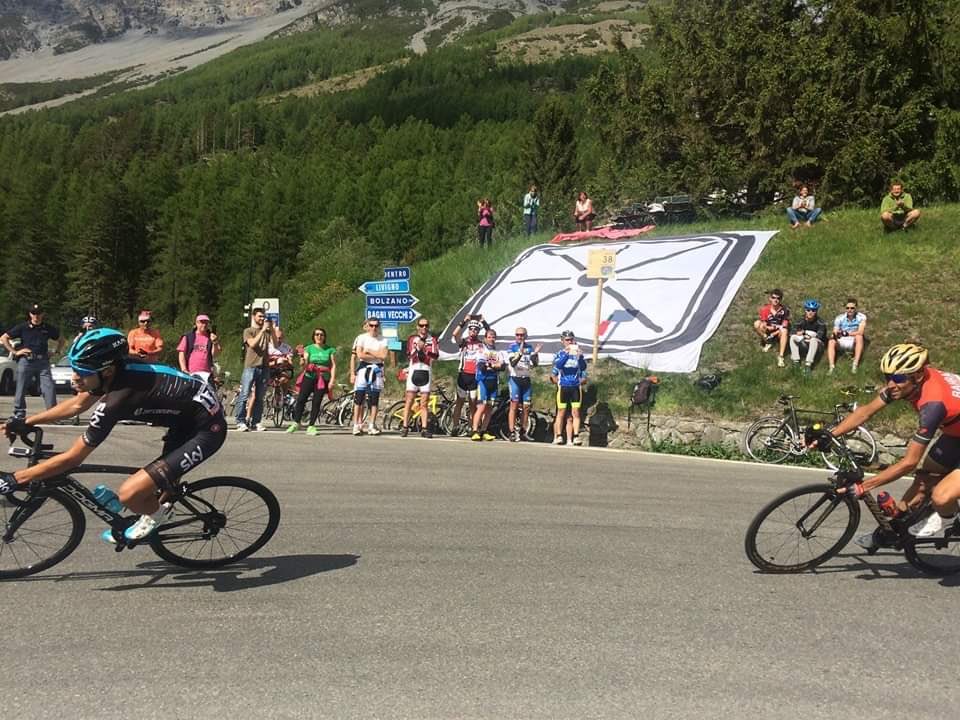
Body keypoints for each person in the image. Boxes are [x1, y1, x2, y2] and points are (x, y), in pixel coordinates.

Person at [0, 329, 226, 543]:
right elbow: (77, 405)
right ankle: (157, 503)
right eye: (75, 368)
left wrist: (16, 478)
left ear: (106, 371)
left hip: (206, 430)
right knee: (150, 486)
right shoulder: (116, 372)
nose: (74, 377)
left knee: (130, 494)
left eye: (82, 372)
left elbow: (73, 458)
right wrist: (26, 421)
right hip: (185, 420)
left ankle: (158, 515)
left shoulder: (118, 399)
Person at [822, 344, 960, 550]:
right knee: (923, 481)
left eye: (897, 379)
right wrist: (828, 435)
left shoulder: (933, 405)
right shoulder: (908, 382)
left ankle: (951, 521)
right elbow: (865, 412)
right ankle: (893, 530)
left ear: (918, 375)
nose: (890, 384)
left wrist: (864, 486)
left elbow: (909, 462)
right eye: (887, 376)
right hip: (955, 434)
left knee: (941, 497)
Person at [0, 303, 62, 419]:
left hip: (43, 361)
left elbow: (61, 340)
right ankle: (19, 413)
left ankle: (52, 414)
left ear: (43, 314)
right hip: (26, 361)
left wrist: (55, 352)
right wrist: (15, 352)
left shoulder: (48, 328)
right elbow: (4, 338)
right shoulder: (23, 327)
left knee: (48, 387)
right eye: (33, 313)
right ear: (30, 314)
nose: (36, 316)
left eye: (38, 313)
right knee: (21, 387)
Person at [288, 328, 336, 435]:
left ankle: (311, 425)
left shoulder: (330, 350)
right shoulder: (309, 348)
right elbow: (305, 363)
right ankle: (296, 422)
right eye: (317, 334)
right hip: (309, 375)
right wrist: (302, 360)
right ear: (313, 336)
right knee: (301, 399)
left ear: (324, 337)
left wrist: (332, 379)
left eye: (321, 335)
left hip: (322, 378)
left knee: (317, 401)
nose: (319, 337)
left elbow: (333, 365)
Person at [235, 307, 275, 432]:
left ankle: (256, 421)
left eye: (263, 317)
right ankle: (240, 421)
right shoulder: (248, 331)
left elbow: (276, 344)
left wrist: (272, 329)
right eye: (260, 316)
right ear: (254, 317)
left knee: (260, 396)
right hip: (251, 366)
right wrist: (262, 331)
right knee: (245, 394)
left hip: (264, 367)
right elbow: (252, 344)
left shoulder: (267, 332)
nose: (262, 319)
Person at [401, 317, 440, 439]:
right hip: (414, 370)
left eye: (426, 325)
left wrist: (425, 350)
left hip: (426, 371)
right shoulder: (412, 338)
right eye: (422, 325)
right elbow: (409, 355)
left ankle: (424, 428)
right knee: (409, 401)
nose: (424, 328)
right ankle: (405, 426)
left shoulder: (432, 339)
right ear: (417, 326)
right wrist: (418, 348)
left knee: (424, 403)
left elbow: (436, 355)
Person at [450, 314, 488, 436]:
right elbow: (455, 334)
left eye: (475, 329)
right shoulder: (464, 342)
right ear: (469, 330)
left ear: (478, 331)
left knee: (473, 403)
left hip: (475, 376)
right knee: (459, 402)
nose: (473, 331)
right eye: (471, 329)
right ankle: (455, 427)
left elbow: (491, 335)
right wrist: (464, 321)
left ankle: (473, 428)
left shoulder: (481, 343)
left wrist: (484, 322)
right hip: (463, 375)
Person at [350, 318, 388, 435]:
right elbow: (360, 354)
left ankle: (371, 425)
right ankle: (356, 425)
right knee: (359, 397)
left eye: (376, 326)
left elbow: (383, 356)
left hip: (377, 369)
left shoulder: (383, 340)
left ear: (379, 326)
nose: (373, 328)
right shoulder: (361, 337)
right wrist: (375, 355)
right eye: (371, 325)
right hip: (363, 369)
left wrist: (369, 351)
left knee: (374, 399)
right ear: (368, 326)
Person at [552, 330, 588, 446]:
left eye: (571, 339)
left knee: (576, 412)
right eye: (567, 340)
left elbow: (583, 368)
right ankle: (558, 435)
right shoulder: (560, 353)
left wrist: (581, 357)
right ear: (562, 341)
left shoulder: (577, 353)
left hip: (575, 387)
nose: (569, 342)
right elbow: (558, 365)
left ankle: (576, 436)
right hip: (563, 386)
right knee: (561, 412)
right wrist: (566, 354)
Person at [471, 328, 507, 441]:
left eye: (493, 337)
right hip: (483, 381)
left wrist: (492, 365)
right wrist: (494, 365)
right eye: (489, 337)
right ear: (485, 338)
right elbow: (481, 366)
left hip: (493, 382)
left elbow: (502, 367)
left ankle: (484, 430)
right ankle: (475, 431)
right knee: (481, 407)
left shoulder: (498, 352)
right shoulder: (482, 350)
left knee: (489, 408)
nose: (492, 339)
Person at [507, 327, 541, 441]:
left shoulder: (529, 347)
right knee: (514, 405)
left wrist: (535, 354)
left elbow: (534, 364)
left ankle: (523, 431)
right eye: (517, 335)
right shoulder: (512, 347)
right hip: (515, 379)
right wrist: (520, 353)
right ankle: (511, 432)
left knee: (526, 407)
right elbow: (512, 363)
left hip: (526, 379)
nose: (519, 337)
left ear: (526, 336)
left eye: (522, 335)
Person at [827, 298, 867, 374]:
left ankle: (855, 365)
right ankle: (831, 367)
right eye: (847, 308)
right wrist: (837, 333)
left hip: (853, 340)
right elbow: (835, 330)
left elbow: (861, 331)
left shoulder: (861, 317)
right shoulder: (839, 318)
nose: (850, 310)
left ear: (856, 308)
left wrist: (848, 334)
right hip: (842, 339)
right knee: (831, 340)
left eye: (852, 308)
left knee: (859, 337)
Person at [177, 313, 220, 383]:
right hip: (190, 373)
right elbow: (181, 353)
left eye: (206, 322)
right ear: (196, 323)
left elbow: (215, 354)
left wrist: (215, 342)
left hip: (207, 374)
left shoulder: (211, 337)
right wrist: (184, 369)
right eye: (201, 322)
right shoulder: (188, 337)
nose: (204, 325)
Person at [752, 289, 790, 367]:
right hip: (768, 330)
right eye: (773, 297)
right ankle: (767, 341)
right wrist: (768, 328)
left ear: (781, 299)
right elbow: (764, 323)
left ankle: (781, 356)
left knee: (785, 331)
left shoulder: (785, 310)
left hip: (779, 331)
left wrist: (774, 332)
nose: (775, 300)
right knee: (757, 324)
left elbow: (785, 325)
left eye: (778, 298)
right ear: (770, 298)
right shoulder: (765, 309)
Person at [788, 299, 827, 373]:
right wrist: (797, 333)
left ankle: (808, 365)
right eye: (808, 310)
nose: (810, 312)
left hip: (817, 345)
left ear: (816, 311)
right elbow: (792, 332)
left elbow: (820, 336)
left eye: (813, 310)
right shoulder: (800, 320)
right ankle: (796, 361)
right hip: (804, 342)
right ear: (805, 310)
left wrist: (805, 333)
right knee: (793, 337)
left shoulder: (820, 322)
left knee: (813, 340)